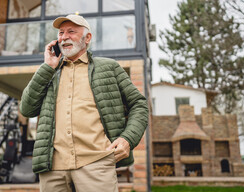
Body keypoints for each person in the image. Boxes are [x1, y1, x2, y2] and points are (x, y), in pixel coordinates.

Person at [20, 14, 148, 192]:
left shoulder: (109, 67)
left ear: (87, 38)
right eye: (61, 33)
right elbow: (26, 109)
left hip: (97, 163)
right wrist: (47, 67)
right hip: (53, 169)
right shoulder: (49, 72)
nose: (64, 37)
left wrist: (128, 139)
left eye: (71, 31)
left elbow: (139, 105)